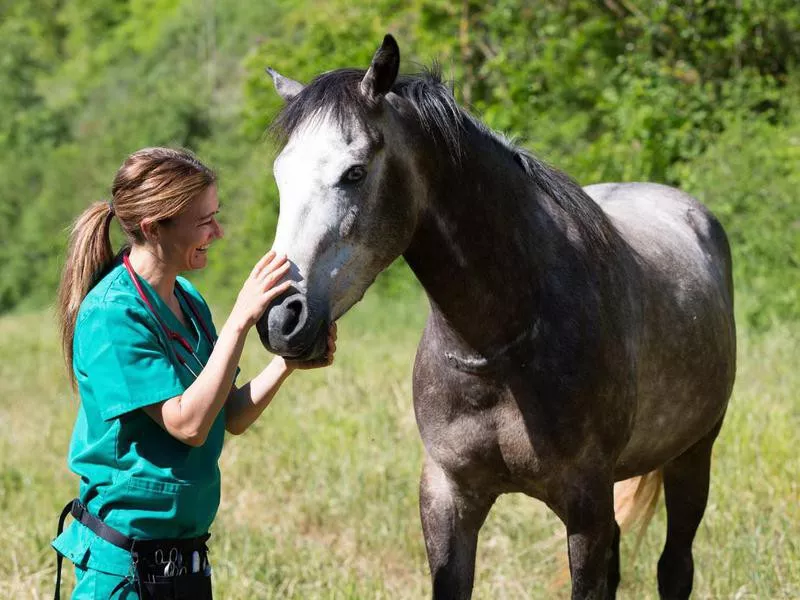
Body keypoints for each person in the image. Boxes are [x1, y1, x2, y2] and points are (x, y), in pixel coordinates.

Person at [52, 147, 336, 599]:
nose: (217, 232)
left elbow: (229, 415)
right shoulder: (111, 315)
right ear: (153, 228)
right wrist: (241, 318)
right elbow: (188, 423)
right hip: (127, 574)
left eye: (215, 215)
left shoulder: (186, 299)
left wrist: (287, 364)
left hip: (182, 564)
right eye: (203, 220)